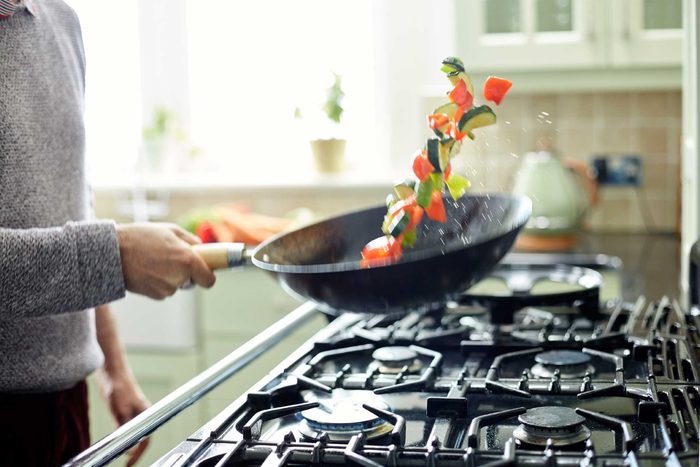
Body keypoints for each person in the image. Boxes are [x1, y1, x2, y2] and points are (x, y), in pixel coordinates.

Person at [0, 0, 217, 464]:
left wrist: (113, 368)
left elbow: (74, 203)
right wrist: (115, 255)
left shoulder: (61, 20)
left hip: (65, 407)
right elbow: (95, 246)